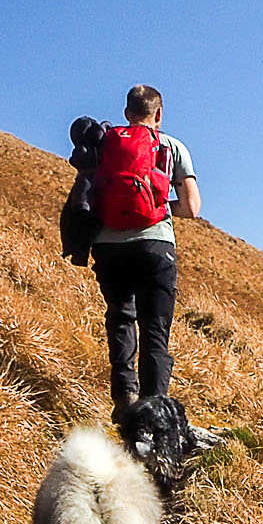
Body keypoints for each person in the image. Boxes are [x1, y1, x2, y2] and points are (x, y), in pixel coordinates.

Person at [89, 84, 201, 421]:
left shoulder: (105, 143)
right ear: (160, 114)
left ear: (127, 113)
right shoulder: (172, 147)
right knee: (155, 328)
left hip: (108, 243)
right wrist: (158, 206)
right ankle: (153, 412)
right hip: (155, 243)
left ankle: (125, 394)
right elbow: (192, 207)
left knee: (121, 317)